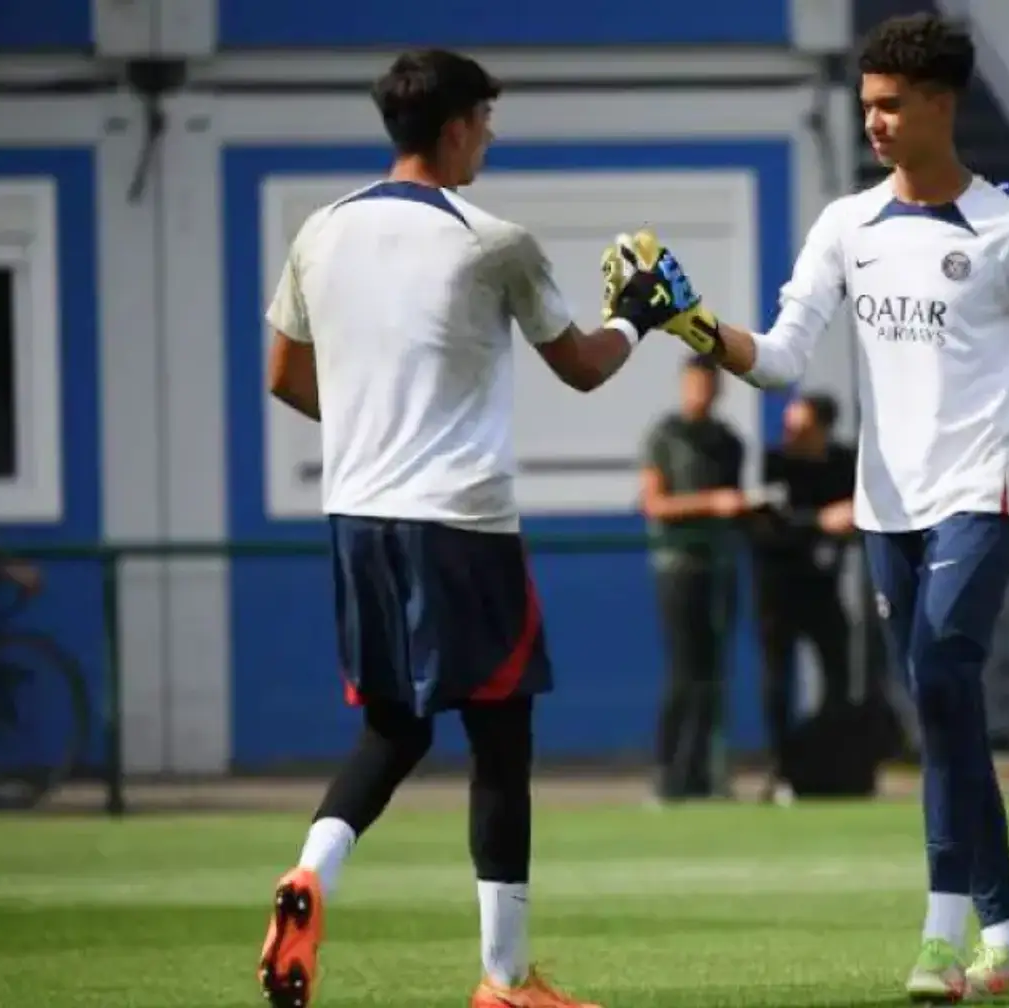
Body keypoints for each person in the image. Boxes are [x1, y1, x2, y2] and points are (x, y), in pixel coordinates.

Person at [606, 14, 1009, 999]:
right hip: (885, 509)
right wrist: (687, 324)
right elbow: (779, 361)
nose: (871, 120)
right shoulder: (846, 226)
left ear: (941, 106)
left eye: (888, 104)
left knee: (943, 673)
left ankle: (941, 939)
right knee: (945, 713)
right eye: (866, 103)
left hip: (980, 495)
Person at [254, 47, 688, 1008]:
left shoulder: (318, 232)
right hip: (460, 525)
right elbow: (582, 366)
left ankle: (310, 877)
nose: (489, 138)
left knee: (394, 729)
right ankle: (504, 981)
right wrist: (640, 317)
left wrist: (377, 415)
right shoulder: (493, 241)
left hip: (357, 518)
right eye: (485, 122)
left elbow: (284, 374)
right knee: (501, 744)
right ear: (454, 126)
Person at [638, 356, 749, 802]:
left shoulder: (729, 442)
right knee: (683, 673)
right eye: (695, 383)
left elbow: (736, 502)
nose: (701, 391)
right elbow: (655, 504)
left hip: (720, 568)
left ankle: (704, 776)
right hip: (677, 567)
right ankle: (667, 776)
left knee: (713, 675)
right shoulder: (665, 437)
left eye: (709, 383)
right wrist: (711, 504)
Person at [749, 392, 859, 804]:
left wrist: (852, 517)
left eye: (803, 428)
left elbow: (865, 507)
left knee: (840, 672)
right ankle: (783, 768)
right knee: (777, 679)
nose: (793, 435)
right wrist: (819, 521)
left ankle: (828, 762)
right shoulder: (773, 463)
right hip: (777, 588)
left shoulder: (844, 463)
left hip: (822, 587)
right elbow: (766, 521)